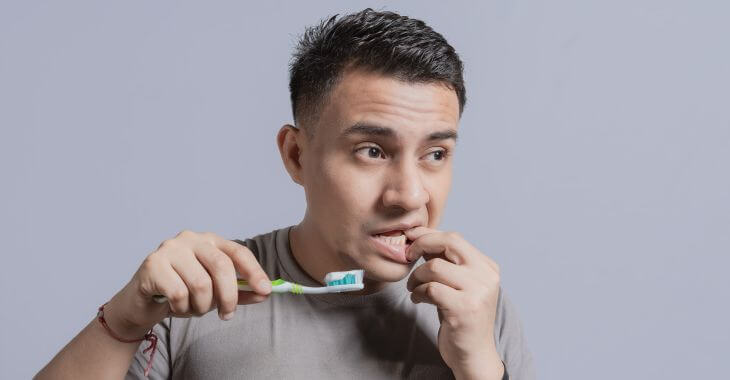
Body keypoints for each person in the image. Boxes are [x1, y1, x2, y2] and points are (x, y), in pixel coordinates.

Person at [36, 8, 534, 380]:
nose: (409, 195)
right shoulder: (199, 298)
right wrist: (124, 319)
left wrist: (480, 367)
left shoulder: (476, 306)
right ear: (296, 155)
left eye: (435, 155)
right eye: (372, 151)